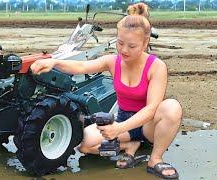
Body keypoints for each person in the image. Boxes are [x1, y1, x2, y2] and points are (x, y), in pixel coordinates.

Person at [30, 2, 182, 179]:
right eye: (120, 43)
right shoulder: (112, 61)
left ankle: (155, 158)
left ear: (145, 42)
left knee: (172, 107)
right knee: (85, 144)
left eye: (131, 46)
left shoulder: (156, 67)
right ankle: (130, 145)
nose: (124, 50)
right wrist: (54, 62)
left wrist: (118, 129)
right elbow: (81, 66)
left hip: (148, 126)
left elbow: (151, 109)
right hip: (123, 120)